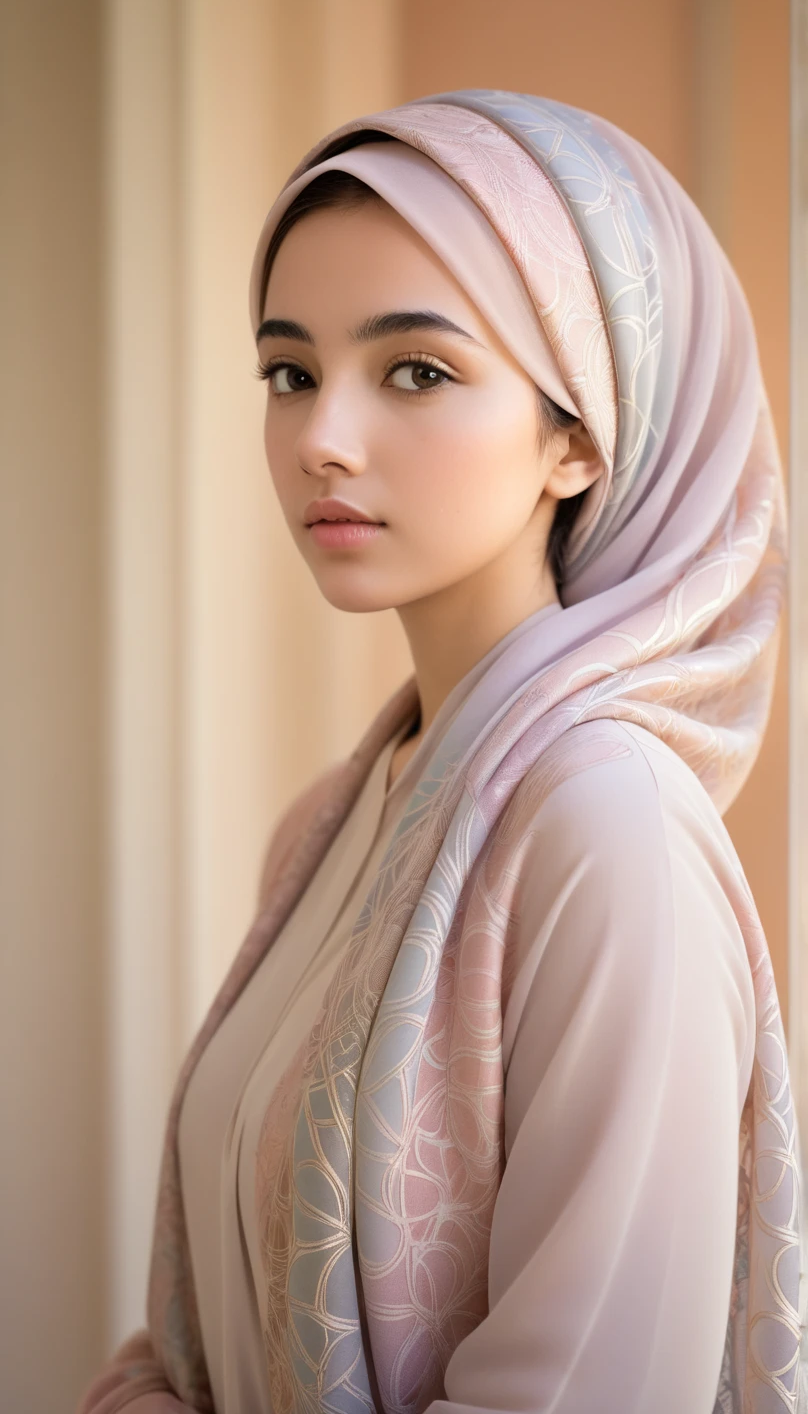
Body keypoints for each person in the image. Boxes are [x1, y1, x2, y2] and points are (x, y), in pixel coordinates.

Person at [77, 89, 806, 1414]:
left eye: (415, 370)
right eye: (289, 371)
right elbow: (190, 1342)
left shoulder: (608, 827)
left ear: (578, 435)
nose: (322, 439)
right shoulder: (328, 826)